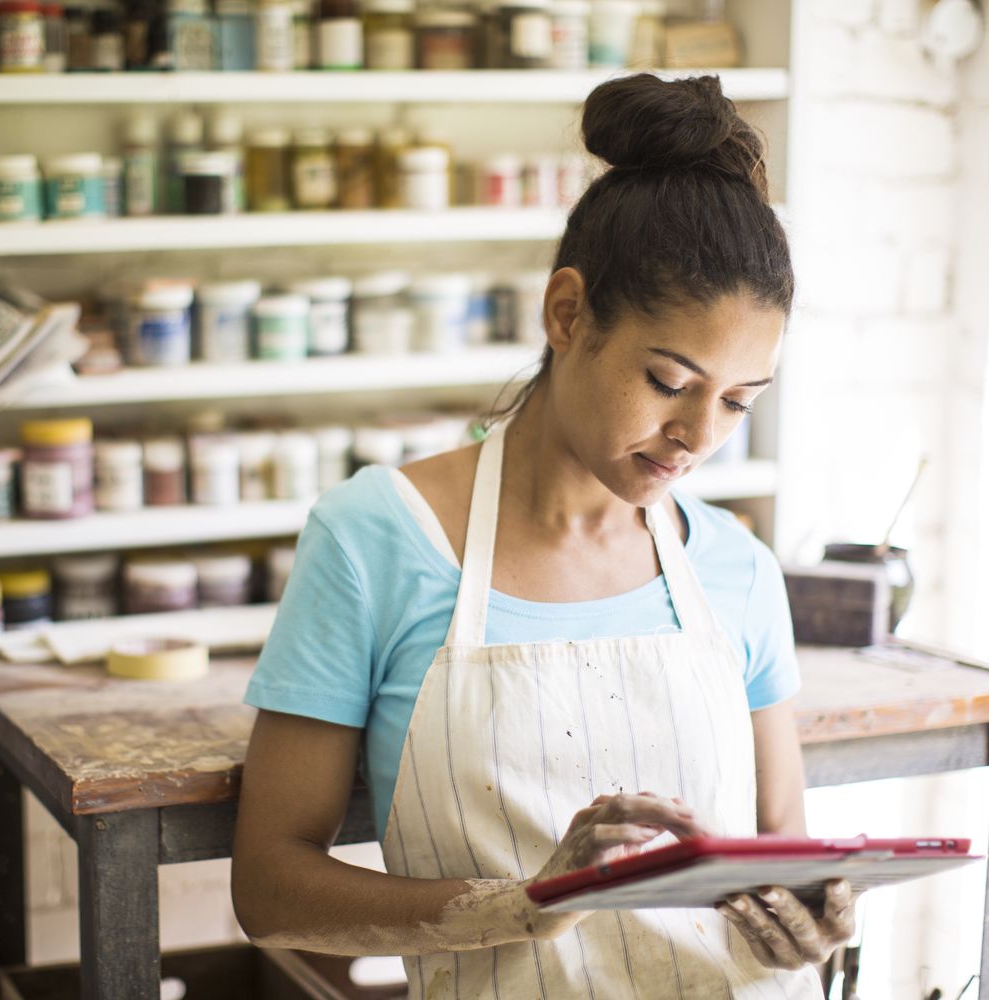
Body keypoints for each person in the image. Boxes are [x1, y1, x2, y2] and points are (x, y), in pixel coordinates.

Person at [231, 72, 855, 998]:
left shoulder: (736, 567)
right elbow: (272, 889)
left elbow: (779, 850)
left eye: (736, 401)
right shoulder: (378, 540)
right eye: (667, 380)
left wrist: (812, 925)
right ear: (568, 314)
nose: (699, 436)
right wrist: (524, 904)